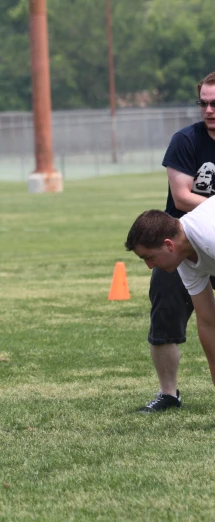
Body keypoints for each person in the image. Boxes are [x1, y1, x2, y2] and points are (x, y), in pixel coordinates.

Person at [133, 71, 215, 413]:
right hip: (179, 241)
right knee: (166, 315)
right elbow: (181, 198)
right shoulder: (186, 140)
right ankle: (169, 393)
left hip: (199, 239)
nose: (209, 110)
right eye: (204, 103)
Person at [125, 198, 215, 392]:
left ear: (168, 245)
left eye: (149, 257)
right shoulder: (185, 260)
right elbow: (208, 323)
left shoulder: (210, 238)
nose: (150, 266)